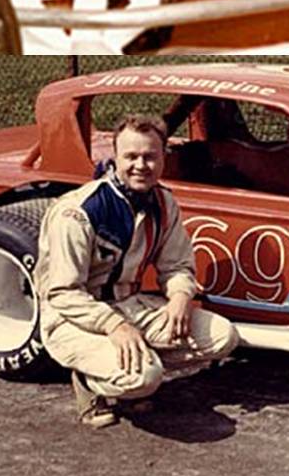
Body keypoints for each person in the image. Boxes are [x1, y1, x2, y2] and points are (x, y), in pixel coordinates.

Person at [35, 114, 239, 428]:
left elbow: (177, 265)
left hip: (130, 305)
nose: (141, 165)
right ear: (114, 158)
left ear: (163, 159)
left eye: (150, 156)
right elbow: (62, 293)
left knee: (222, 336)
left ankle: (132, 363)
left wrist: (181, 296)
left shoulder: (163, 202)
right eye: (131, 157)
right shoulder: (78, 212)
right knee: (145, 377)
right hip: (73, 317)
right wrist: (114, 326)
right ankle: (92, 382)